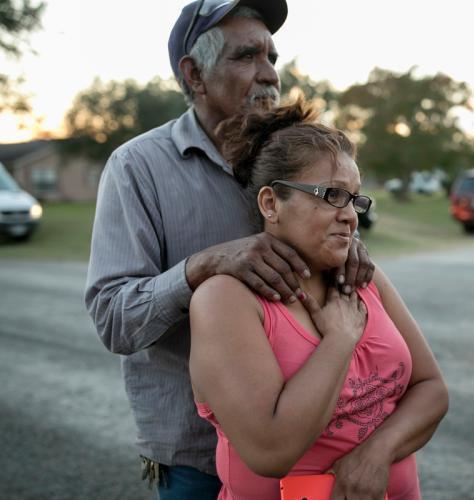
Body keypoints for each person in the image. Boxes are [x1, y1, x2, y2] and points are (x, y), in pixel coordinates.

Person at [84, 1, 374, 498]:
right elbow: (114, 320)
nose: (269, 76)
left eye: (272, 58)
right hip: (198, 462)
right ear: (194, 74)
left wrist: (349, 249)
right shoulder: (137, 168)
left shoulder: (295, 157)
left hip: (324, 444)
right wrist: (203, 266)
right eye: (246, 57)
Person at [189, 99, 449, 500]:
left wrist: (376, 454)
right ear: (271, 203)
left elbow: (431, 389)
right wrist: (339, 340)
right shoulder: (226, 299)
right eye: (332, 195)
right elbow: (270, 451)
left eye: (356, 199)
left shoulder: (365, 279)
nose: (350, 216)